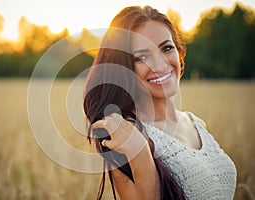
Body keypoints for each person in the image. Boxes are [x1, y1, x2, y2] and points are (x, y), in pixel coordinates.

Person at [83, 5, 237, 200]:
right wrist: (140, 154)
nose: (159, 64)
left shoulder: (196, 123)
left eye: (166, 48)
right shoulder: (128, 136)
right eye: (142, 57)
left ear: (179, 53)